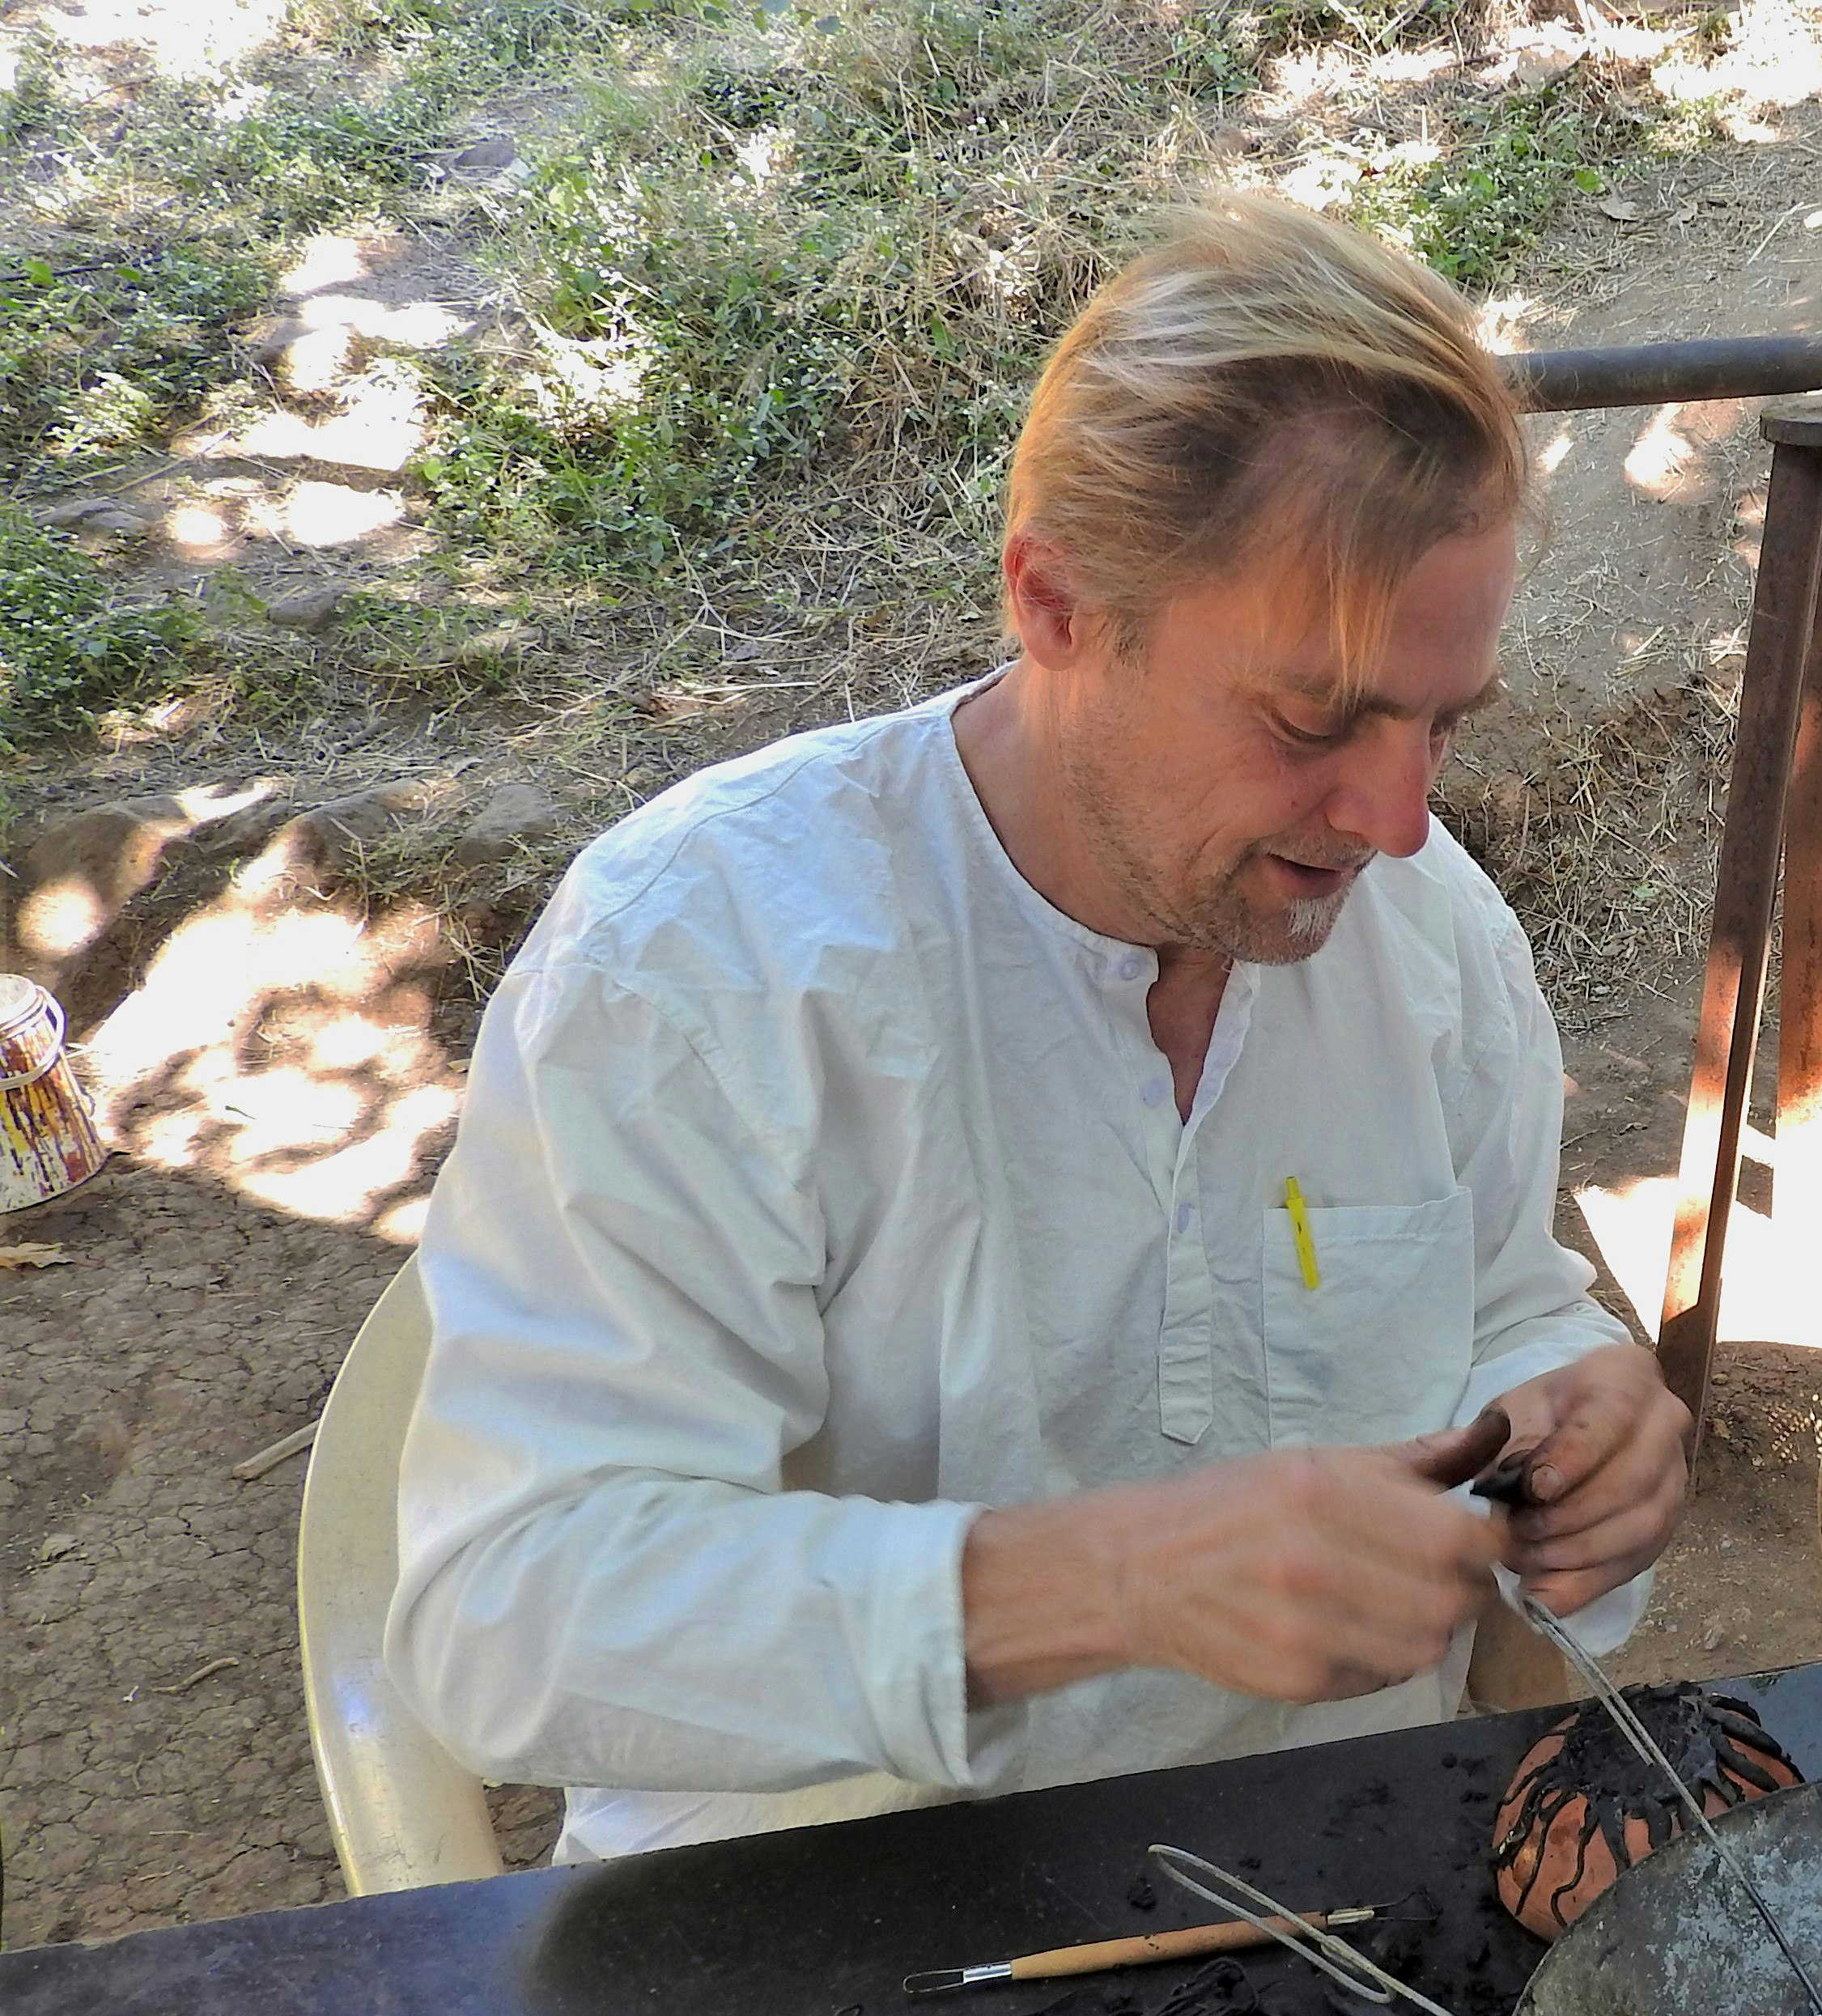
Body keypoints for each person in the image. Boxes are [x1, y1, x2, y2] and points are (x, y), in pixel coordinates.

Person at [388, 196, 1691, 1859]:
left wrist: (1576, 1406)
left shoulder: (1423, 933)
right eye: (1313, 718)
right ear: (1057, 603)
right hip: (819, 1954)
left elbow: (1494, 1290)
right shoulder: (705, 959)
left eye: (1444, 723)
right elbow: (510, 1611)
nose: (1395, 817)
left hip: (1330, 1905)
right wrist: (1103, 1583)